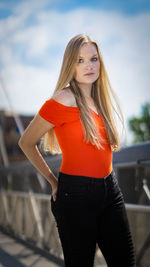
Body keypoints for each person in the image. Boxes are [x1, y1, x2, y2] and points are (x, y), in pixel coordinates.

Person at [18, 34, 136, 267]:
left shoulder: (100, 100)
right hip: (76, 196)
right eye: (80, 60)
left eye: (93, 59)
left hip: (110, 190)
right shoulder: (63, 99)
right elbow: (26, 142)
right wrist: (53, 182)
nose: (89, 66)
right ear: (70, 65)